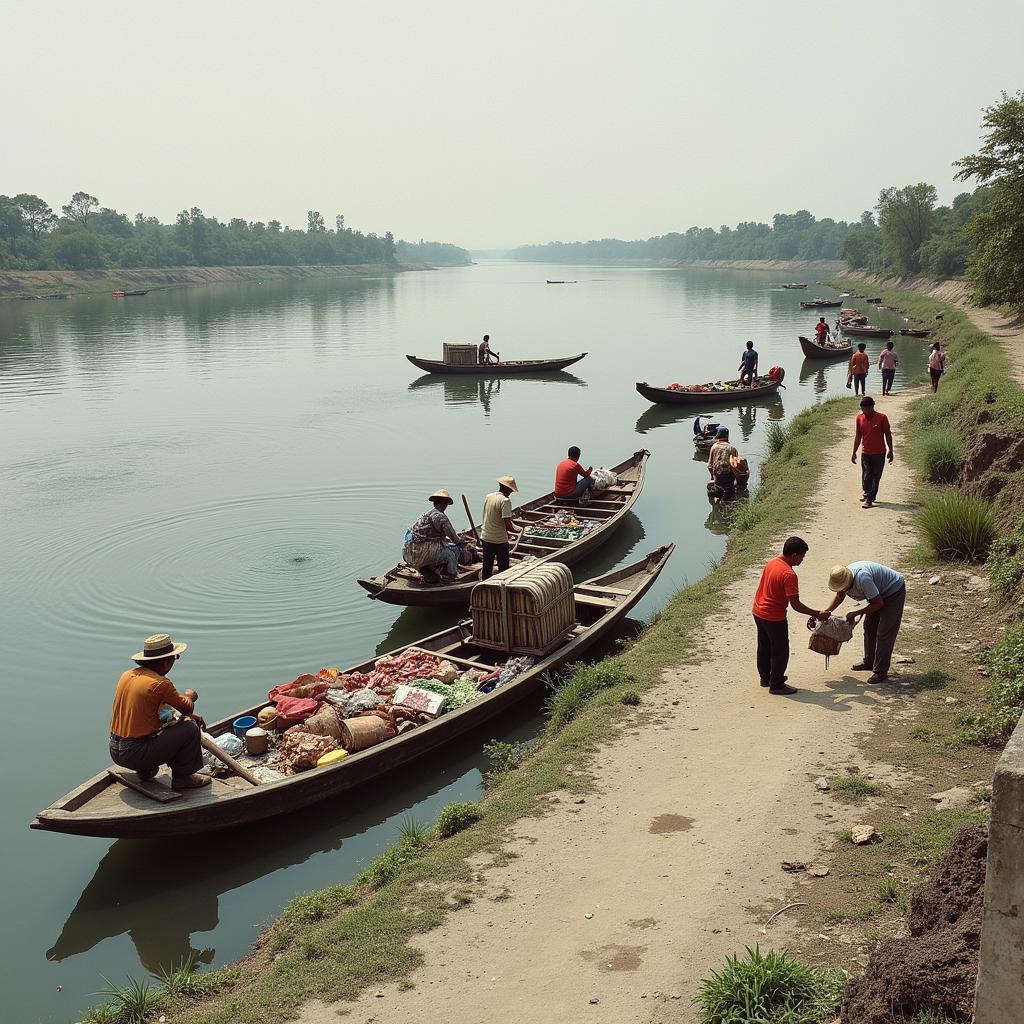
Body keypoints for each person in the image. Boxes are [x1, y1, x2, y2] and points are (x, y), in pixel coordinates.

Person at [108, 634, 210, 790]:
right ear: (165, 662)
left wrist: (182, 717)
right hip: (135, 753)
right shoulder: (160, 683)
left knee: (180, 722)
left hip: (115, 750)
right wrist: (190, 696)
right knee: (190, 728)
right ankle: (183, 778)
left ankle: (146, 769)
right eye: (175, 658)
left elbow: (158, 712)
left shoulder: (127, 675)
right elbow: (187, 707)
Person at [751, 537, 819, 695]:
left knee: (764, 646)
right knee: (780, 650)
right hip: (774, 616)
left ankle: (765, 678)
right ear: (794, 555)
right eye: (802, 556)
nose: (802, 560)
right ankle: (776, 684)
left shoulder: (772, 562)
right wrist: (816, 613)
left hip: (758, 611)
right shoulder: (789, 574)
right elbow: (796, 604)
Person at [820, 562, 906, 684]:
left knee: (885, 632)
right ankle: (869, 661)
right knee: (869, 627)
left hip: (893, 590)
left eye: (844, 586)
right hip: (877, 594)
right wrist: (826, 611)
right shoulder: (844, 577)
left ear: (849, 580)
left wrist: (855, 612)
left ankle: (880, 671)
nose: (843, 589)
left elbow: (878, 603)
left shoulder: (863, 579)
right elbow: (840, 596)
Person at [402, 488, 464, 583]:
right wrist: (461, 542)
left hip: (410, 552)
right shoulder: (441, 517)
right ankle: (452, 575)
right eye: (446, 503)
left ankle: (430, 567)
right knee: (451, 554)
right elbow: (454, 538)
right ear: (444, 503)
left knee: (449, 547)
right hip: (423, 552)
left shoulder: (426, 514)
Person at [852, 396, 894, 509]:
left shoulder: (882, 418)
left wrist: (891, 450)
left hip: (879, 453)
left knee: (876, 476)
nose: (863, 412)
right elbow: (858, 436)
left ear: (871, 407)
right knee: (866, 475)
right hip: (865, 453)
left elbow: (888, 435)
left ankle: (870, 499)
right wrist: (854, 452)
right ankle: (867, 492)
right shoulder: (859, 418)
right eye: (862, 409)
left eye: (865, 409)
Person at [480, 476, 519, 579]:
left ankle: (485, 583)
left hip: (485, 537)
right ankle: (502, 586)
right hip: (499, 540)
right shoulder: (505, 501)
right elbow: (508, 524)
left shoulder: (489, 496)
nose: (511, 492)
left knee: (487, 565)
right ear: (507, 489)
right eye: (511, 490)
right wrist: (520, 531)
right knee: (504, 567)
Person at [707, 426, 739, 498]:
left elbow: (709, 466)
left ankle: (712, 502)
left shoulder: (714, 447)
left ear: (718, 436)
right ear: (727, 436)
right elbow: (735, 467)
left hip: (717, 478)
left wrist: (713, 477)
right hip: (729, 479)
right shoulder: (732, 448)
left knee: (709, 485)